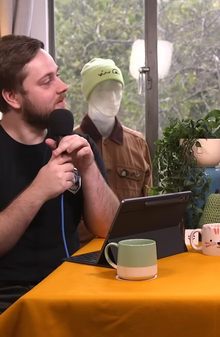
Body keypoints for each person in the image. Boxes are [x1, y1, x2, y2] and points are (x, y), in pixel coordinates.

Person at [0, 35, 119, 337]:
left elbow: (107, 226)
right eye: (47, 81)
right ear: (12, 97)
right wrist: (38, 190)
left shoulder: (77, 145)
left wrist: (89, 169)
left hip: (65, 284)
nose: (63, 86)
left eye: (56, 75)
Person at [74, 58, 153, 246]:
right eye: (103, 91)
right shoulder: (69, 145)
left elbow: (148, 204)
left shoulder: (138, 144)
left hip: (130, 250)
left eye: (117, 90)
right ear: (89, 95)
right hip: (80, 253)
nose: (112, 98)